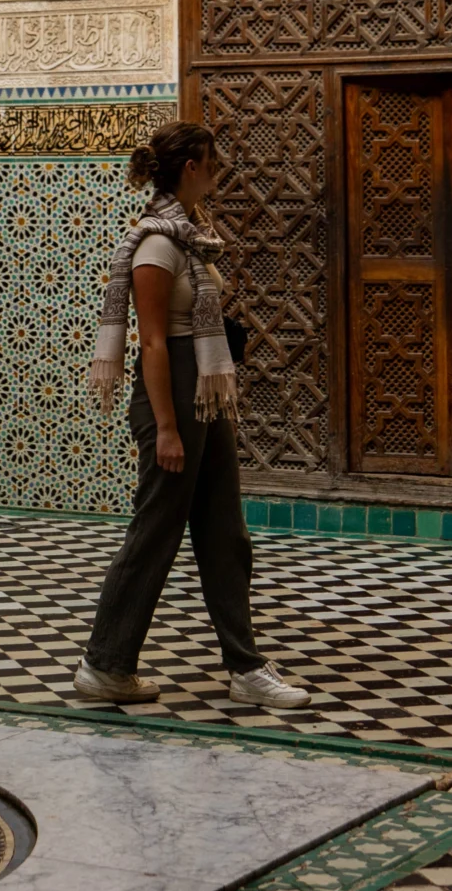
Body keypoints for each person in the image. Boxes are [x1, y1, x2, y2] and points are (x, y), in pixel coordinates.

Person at [74, 120, 311, 712]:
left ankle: (246, 667)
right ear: (189, 169)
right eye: (211, 161)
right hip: (173, 396)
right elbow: (152, 343)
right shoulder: (156, 246)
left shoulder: (189, 238)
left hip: (203, 393)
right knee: (156, 532)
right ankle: (105, 666)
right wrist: (169, 428)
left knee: (224, 534)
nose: (218, 169)